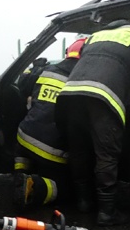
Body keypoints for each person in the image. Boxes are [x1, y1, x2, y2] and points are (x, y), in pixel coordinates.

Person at [55, 21, 130, 226]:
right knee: (106, 153)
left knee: (79, 150)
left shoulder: (97, 35)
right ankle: (107, 212)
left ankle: (84, 202)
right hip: (104, 94)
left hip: (71, 92)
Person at [13, 38, 85, 209]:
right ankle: (33, 187)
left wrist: (35, 68)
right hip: (51, 149)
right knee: (70, 191)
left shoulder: (48, 70)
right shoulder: (82, 79)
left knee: (25, 147)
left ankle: (20, 173)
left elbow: (22, 84)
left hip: (24, 136)